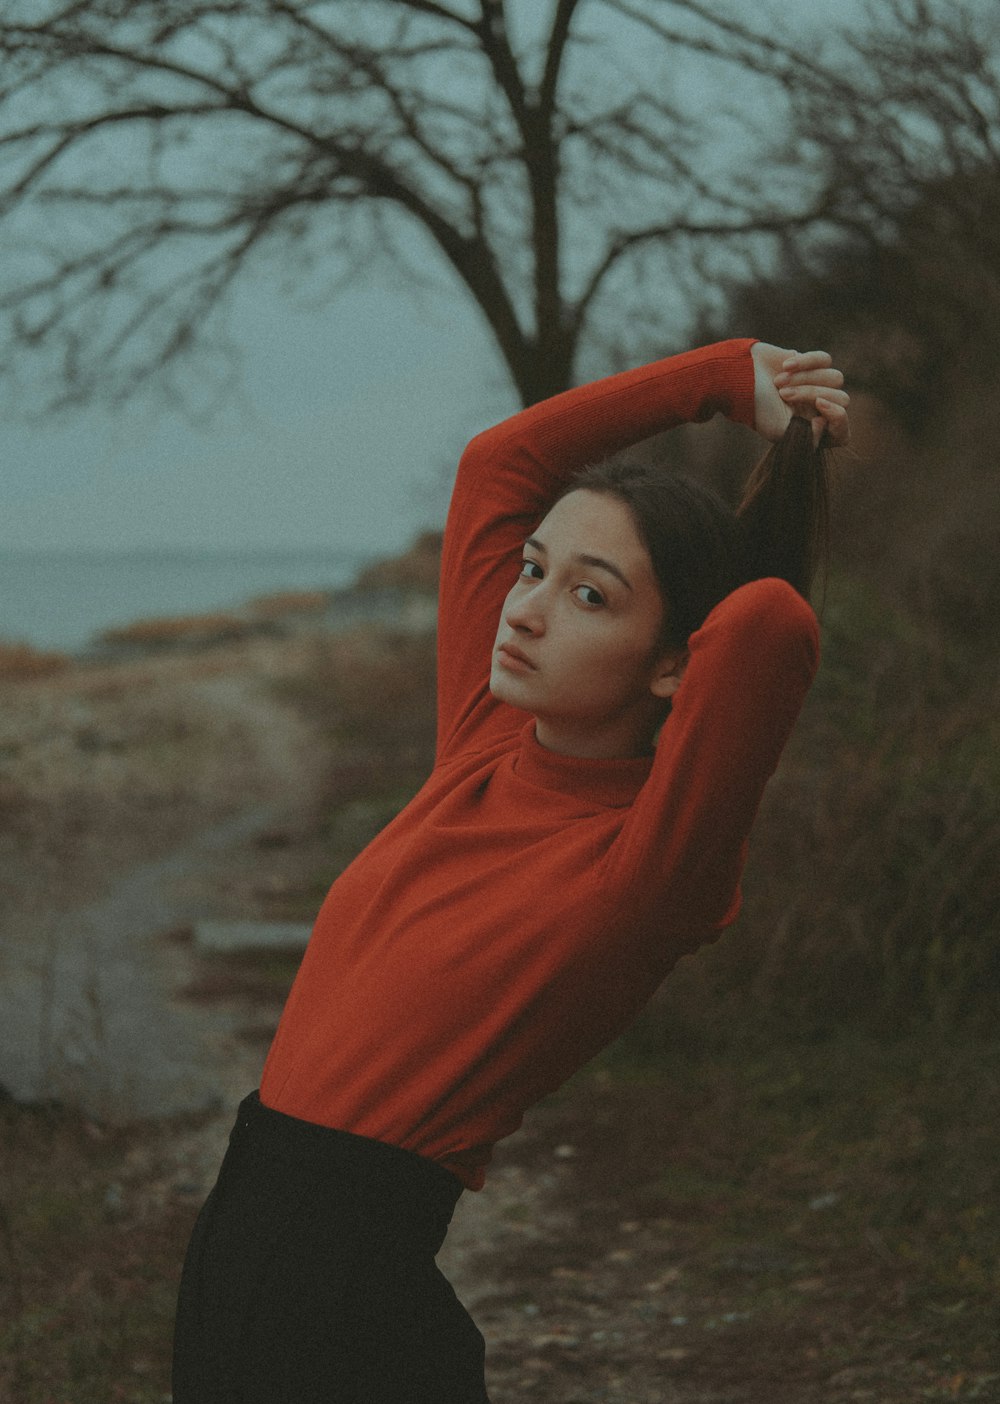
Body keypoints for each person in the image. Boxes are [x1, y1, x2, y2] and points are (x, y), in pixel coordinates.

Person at [172, 337, 849, 1402]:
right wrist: (719, 380)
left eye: (591, 598)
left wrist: (794, 455)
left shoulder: (646, 871)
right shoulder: (483, 749)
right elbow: (498, 467)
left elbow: (769, 624)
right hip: (246, 1236)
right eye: (533, 569)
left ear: (678, 661)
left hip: (347, 1288)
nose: (525, 609)